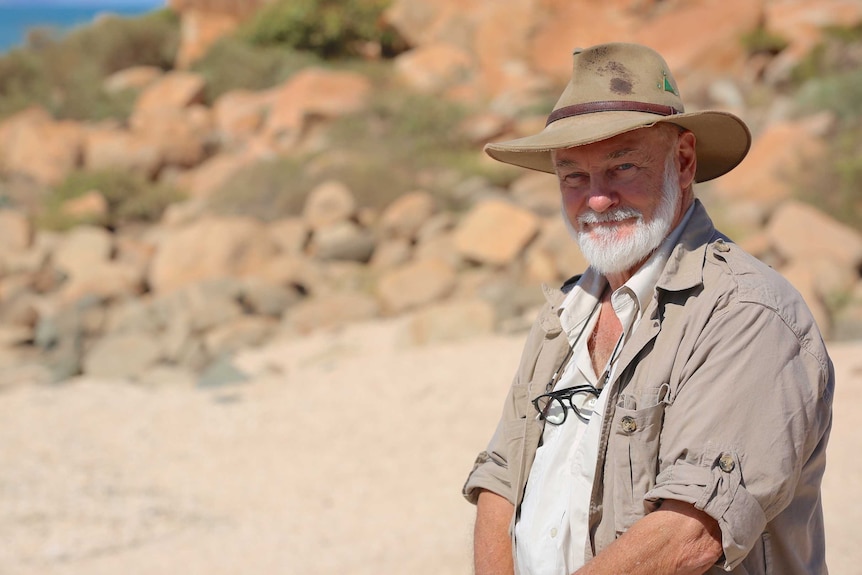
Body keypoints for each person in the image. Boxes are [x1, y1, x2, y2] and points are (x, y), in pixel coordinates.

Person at [462, 42, 834, 575]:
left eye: (622, 166)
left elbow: (691, 533)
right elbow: (500, 479)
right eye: (574, 176)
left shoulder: (745, 313)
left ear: (683, 162)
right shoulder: (566, 312)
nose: (596, 198)